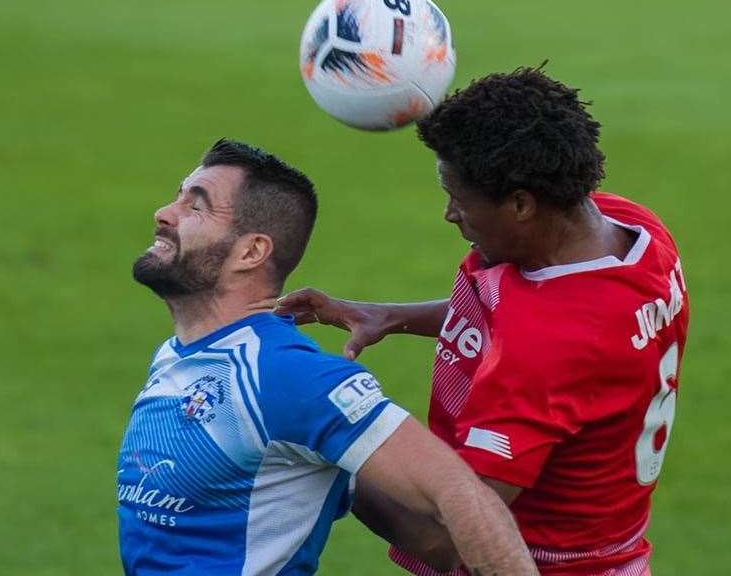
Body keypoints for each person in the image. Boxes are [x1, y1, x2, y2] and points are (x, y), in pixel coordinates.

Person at [276, 66, 691, 575]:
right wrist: (387, 316)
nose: (450, 214)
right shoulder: (631, 229)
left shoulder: (547, 351)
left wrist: (336, 450)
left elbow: (446, 538)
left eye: (459, 197)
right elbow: (525, 316)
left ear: (520, 204)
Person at [117, 138, 536, 576]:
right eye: (178, 197)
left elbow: (456, 492)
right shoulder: (177, 355)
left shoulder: (285, 375)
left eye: (196, 207)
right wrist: (340, 471)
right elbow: (435, 546)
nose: (165, 214)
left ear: (251, 252)